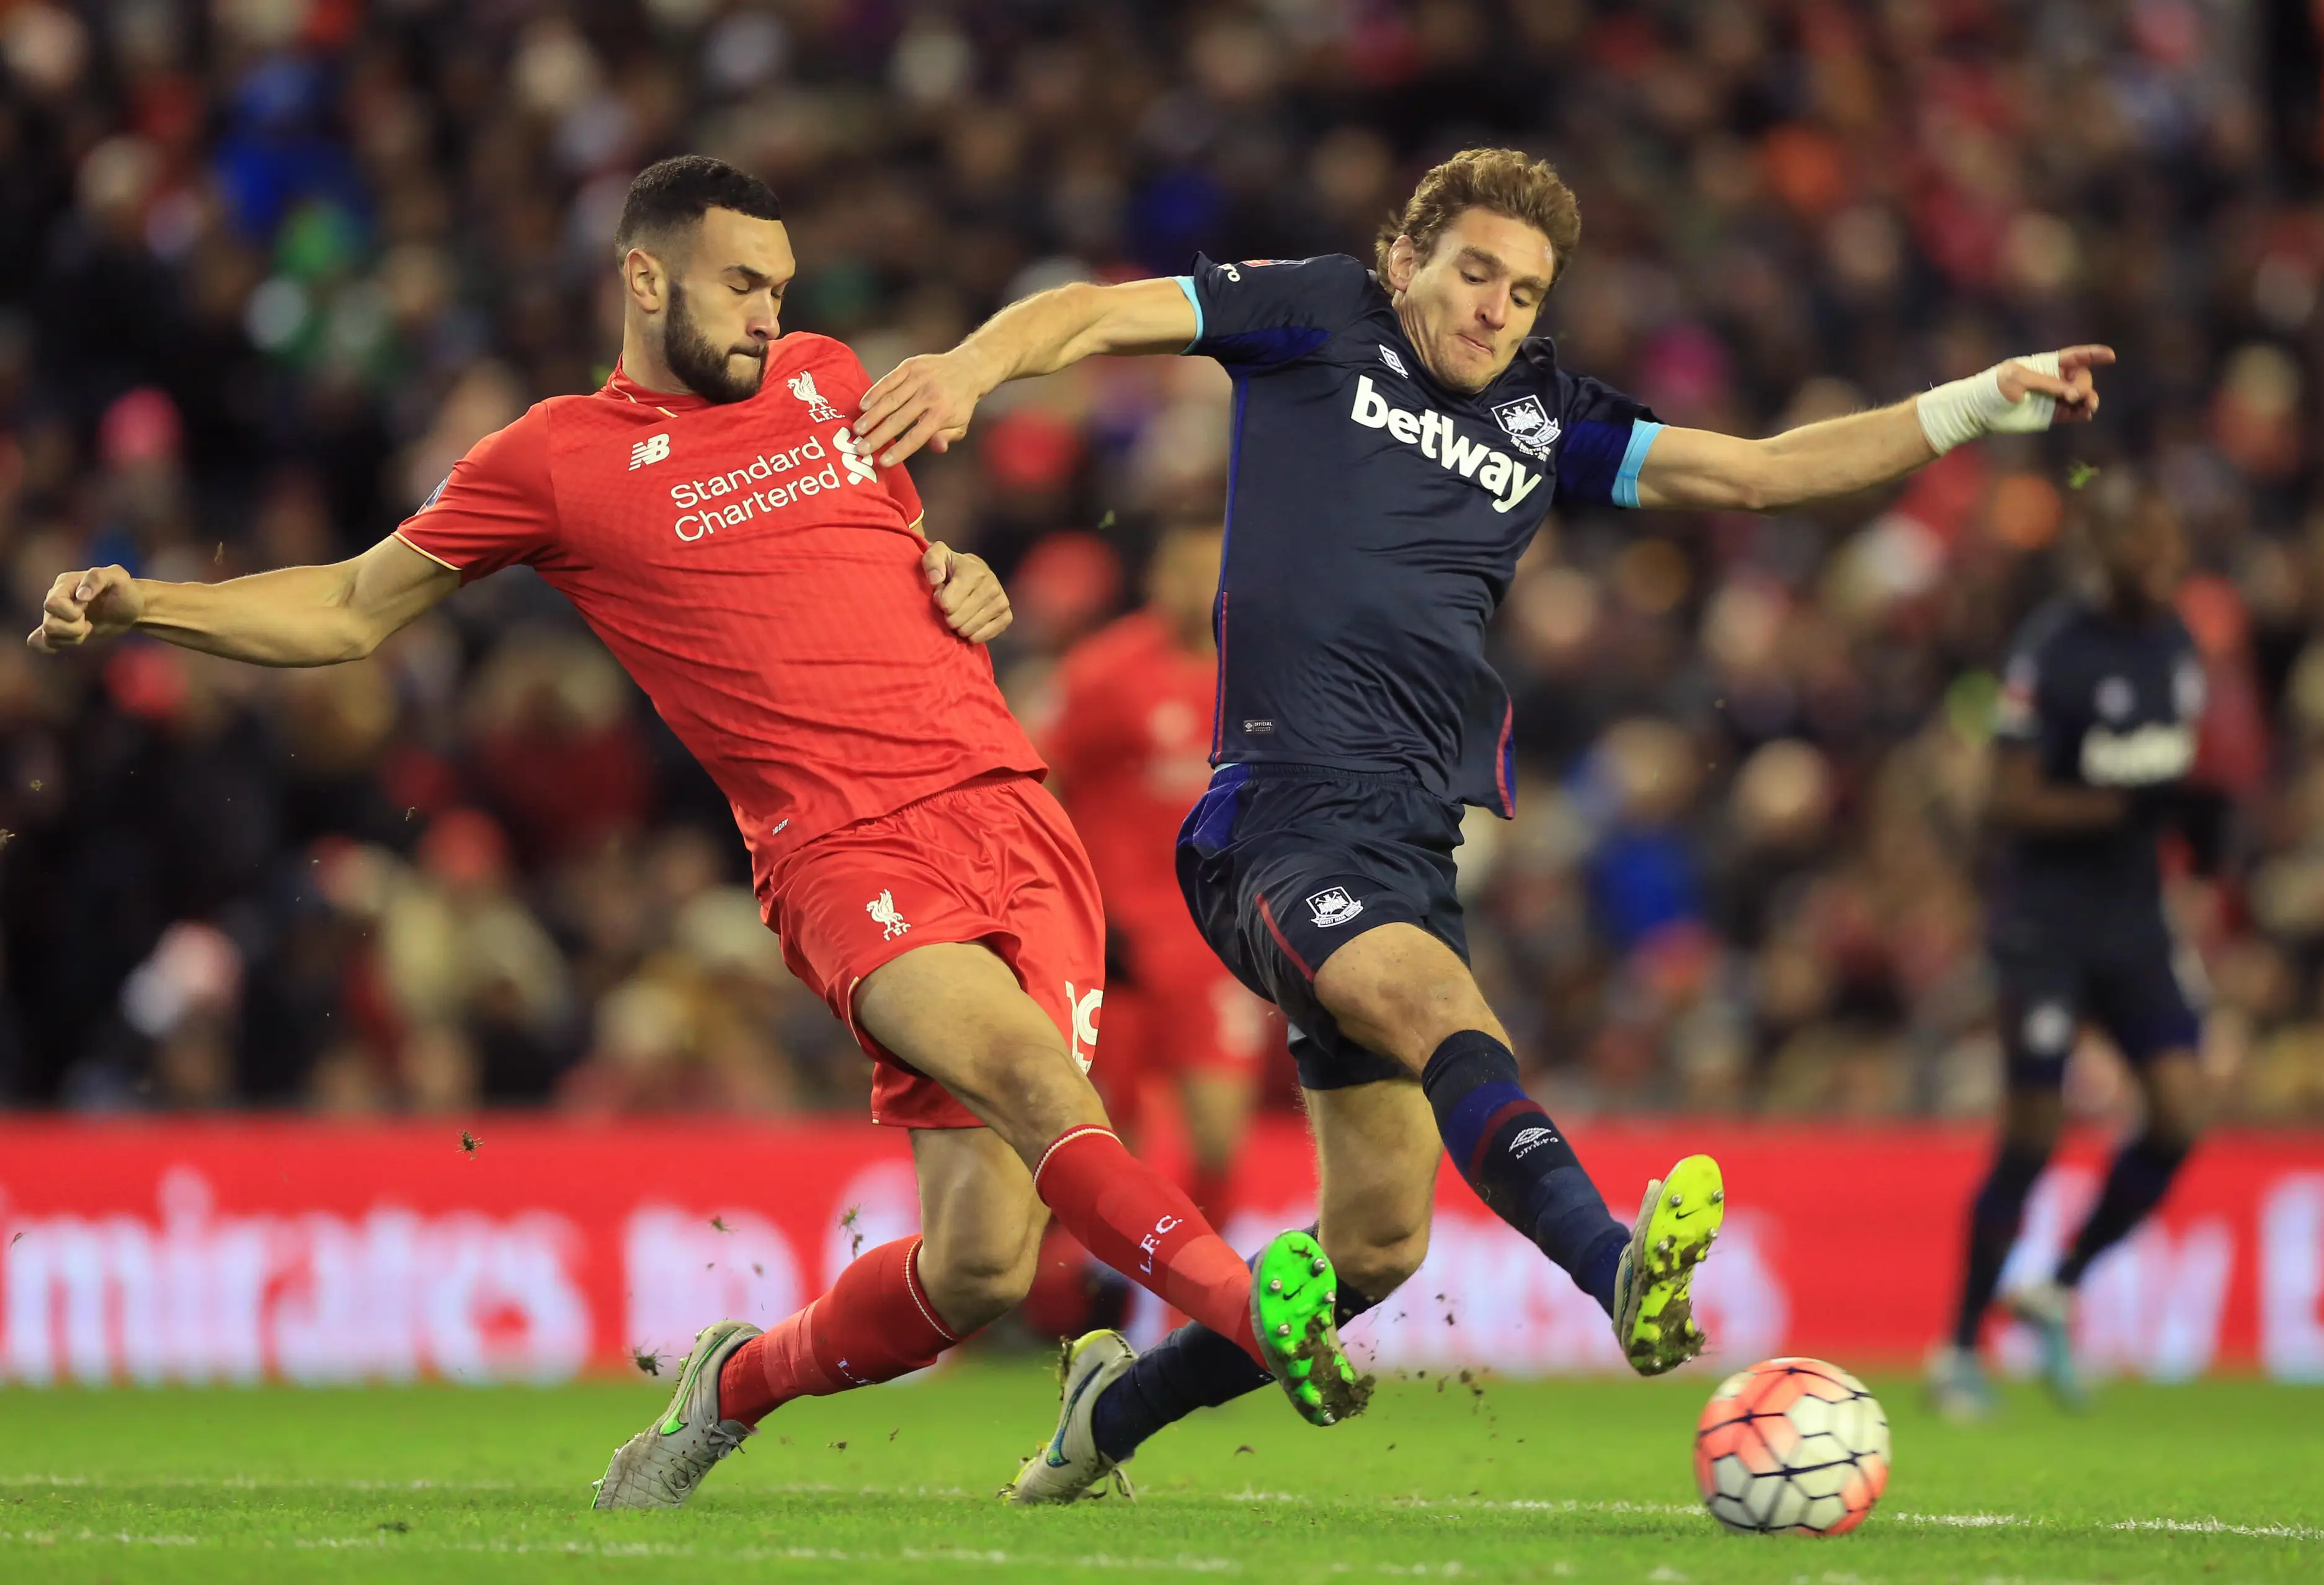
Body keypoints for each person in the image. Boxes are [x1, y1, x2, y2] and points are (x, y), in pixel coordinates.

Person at [27, 154, 1361, 1511]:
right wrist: (152, 606)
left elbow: (894, 559)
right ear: (645, 275)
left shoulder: (830, 379)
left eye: (779, 287)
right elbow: (348, 611)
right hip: (851, 851)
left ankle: (729, 1385)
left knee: (979, 1268)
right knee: (1033, 1076)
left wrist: (962, 576)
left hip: (1015, 814)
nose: (769, 313)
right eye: (740, 283)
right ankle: (1247, 1309)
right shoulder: (552, 459)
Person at [855, 146, 2109, 1500]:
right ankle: (1615, 1262)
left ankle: (1112, 1408)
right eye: (1475, 273)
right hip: (1276, 813)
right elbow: (1097, 314)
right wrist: (978, 365)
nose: (1496, 308)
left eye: (1523, 292)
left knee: (1378, 1244)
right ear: (1408, 262)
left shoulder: (1545, 417)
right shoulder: (1319, 312)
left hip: (1408, 844)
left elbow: (1756, 474)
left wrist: (1980, 401)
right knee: (1453, 1016)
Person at [1928, 471, 2214, 1420]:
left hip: (2136, 919)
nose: (2168, 560)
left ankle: (2061, 1281)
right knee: (2033, 1135)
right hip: (2047, 920)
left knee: (2180, 1112)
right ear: (2110, 548)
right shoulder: (2054, 648)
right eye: (2151, 545)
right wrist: (2119, 807)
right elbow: (2003, 800)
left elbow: (2177, 775)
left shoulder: (2178, 643)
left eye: (2174, 545)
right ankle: (1961, 1347)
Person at [1041, 519, 1276, 1238]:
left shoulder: (1266, 676)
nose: (1202, 589)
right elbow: (1047, 785)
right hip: (1117, 944)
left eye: (1216, 570)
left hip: (1216, 941)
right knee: (1105, 1138)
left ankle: (1200, 1320)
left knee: (1217, 1139)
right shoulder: (1103, 672)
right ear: (1156, 579)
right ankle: (1078, 1299)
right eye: (1185, 571)